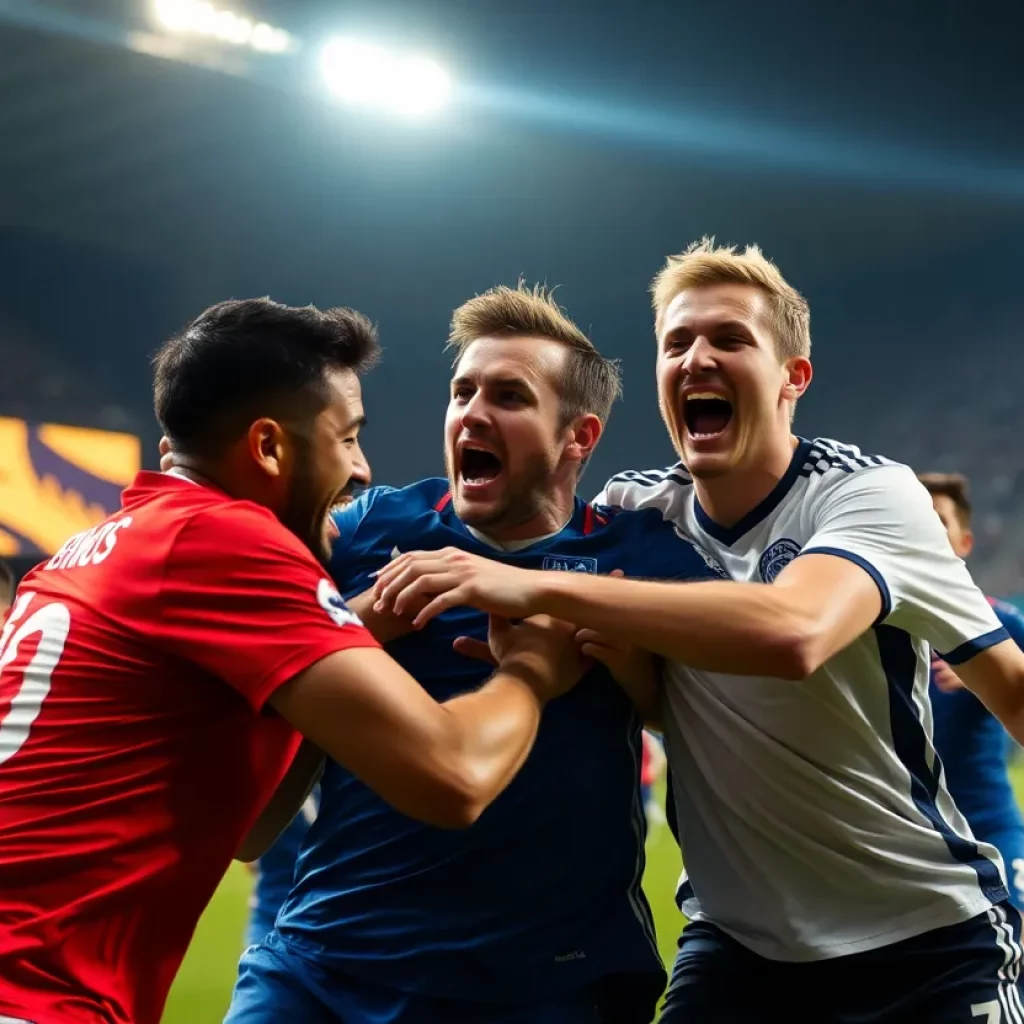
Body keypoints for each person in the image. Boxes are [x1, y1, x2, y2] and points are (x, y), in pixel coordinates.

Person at [373, 241, 1024, 1023]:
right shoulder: (638, 514)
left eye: (730, 339)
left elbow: (795, 634)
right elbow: (667, 699)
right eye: (676, 342)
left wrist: (531, 583)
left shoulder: (868, 494)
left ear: (793, 379)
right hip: (736, 948)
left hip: (921, 943)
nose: (696, 358)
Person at [0, 298, 586, 1024]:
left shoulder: (100, 546)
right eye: (347, 438)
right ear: (270, 448)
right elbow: (454, 777)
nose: (362, 468)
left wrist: (347, 634)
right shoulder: (227, 541)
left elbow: (246, 824)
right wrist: (531, 667)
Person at [224, 284, 721, 1024]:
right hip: (326, 965)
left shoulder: (641, 557)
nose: (472, 413)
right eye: (462, 391)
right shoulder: (364, 530)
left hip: (546, 983)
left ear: (578, 437)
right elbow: (249, 710)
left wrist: (635, 671)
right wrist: (360, 620)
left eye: (511, 396)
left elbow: (728, 713)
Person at [920, 471, 1024, 909]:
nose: (923, 529)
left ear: (964, 542)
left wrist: (987, 672)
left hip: (989, 828)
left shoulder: (1001, 626)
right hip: (902, 844)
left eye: (937, 520)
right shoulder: (862, 628)